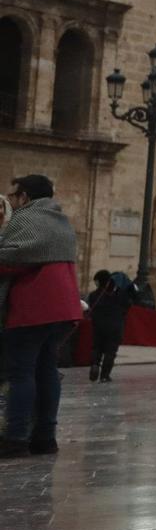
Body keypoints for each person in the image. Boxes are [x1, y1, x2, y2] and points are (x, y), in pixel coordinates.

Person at [0, 174, 84, 457]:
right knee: (46, 371)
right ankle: (45, 437)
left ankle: (15, 438)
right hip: (63, 311)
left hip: (33, 309)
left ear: (25, 196)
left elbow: (10, 260)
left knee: (21, 373)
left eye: (14, 196)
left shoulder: (27, 218)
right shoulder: (61, 222)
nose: (13, 202)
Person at [86, 269, 135, 381]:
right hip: (115, 327)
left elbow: (91, 309)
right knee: (110, 351)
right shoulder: (120, 294)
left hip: (98, 326)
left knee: (97, 347)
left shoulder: (94, 295)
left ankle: (95, 364)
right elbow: (128, 304)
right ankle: (104, 375)